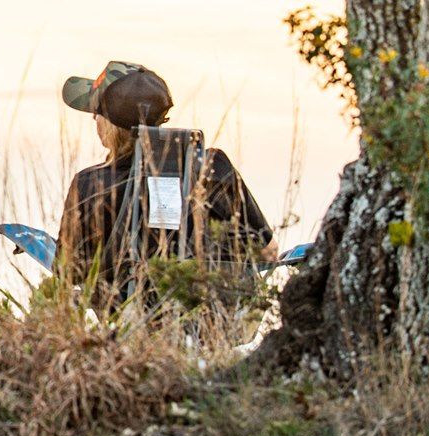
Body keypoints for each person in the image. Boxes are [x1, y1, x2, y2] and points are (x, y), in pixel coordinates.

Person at [55, 61, 274, 306]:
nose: (94, 120)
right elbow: (267, 252)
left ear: (108, 124)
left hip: (129, 329)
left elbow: (68, 272)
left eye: (97, 114)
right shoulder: (213, 166)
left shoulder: (89, 184)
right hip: (209, 320)